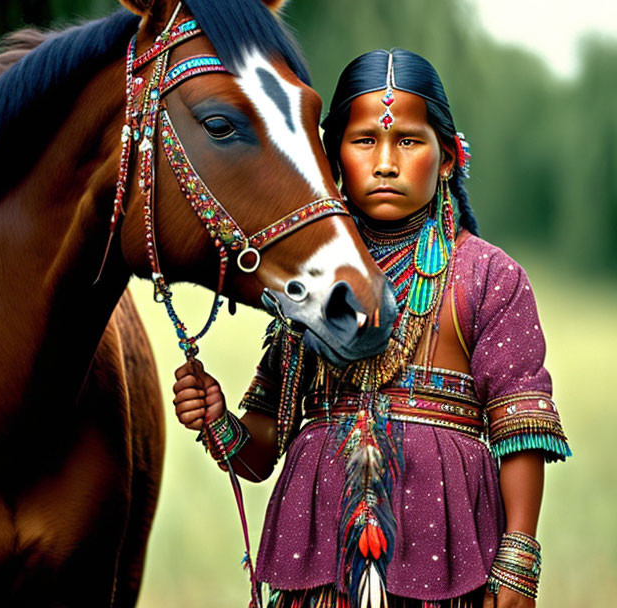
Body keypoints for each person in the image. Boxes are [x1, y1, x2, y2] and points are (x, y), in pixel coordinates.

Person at [172, 49, 570, 608]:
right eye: (364, 141)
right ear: (333, 158)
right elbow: (261, 452)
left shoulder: (488, 277)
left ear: (450, 158)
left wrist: (518, 562)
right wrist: (219, 422)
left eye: (408, 141)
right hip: (322, 578)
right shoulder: (309, 283)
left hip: (450, 573)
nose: (385, 162)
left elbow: (519, 431)